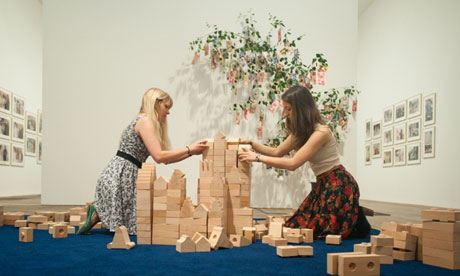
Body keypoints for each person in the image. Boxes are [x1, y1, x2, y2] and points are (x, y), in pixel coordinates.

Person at [238, 85, 371, 239]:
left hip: (339, 184)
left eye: (289, 109)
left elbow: (293, 164)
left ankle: (356, 216)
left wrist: (256, 157)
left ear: (301, 108)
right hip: (322, 184)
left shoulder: (321, 132)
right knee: (296, 225)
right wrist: (252, 144)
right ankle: (352, 212)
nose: (285, 114)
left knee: (321, 231)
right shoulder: (301, 132)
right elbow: (277, 152)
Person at [77, 88, 208, 235]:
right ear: (155, 104)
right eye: (166, 107)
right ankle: (98, 211)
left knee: (136, 226)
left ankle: (98, 211)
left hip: (125, 173)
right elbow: (159, 156)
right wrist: (189, 149)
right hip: (121, 176)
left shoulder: (143, 120)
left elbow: (165, 160)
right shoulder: (145, 121)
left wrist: (192, 152)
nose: (168, 112)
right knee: (135, 229)